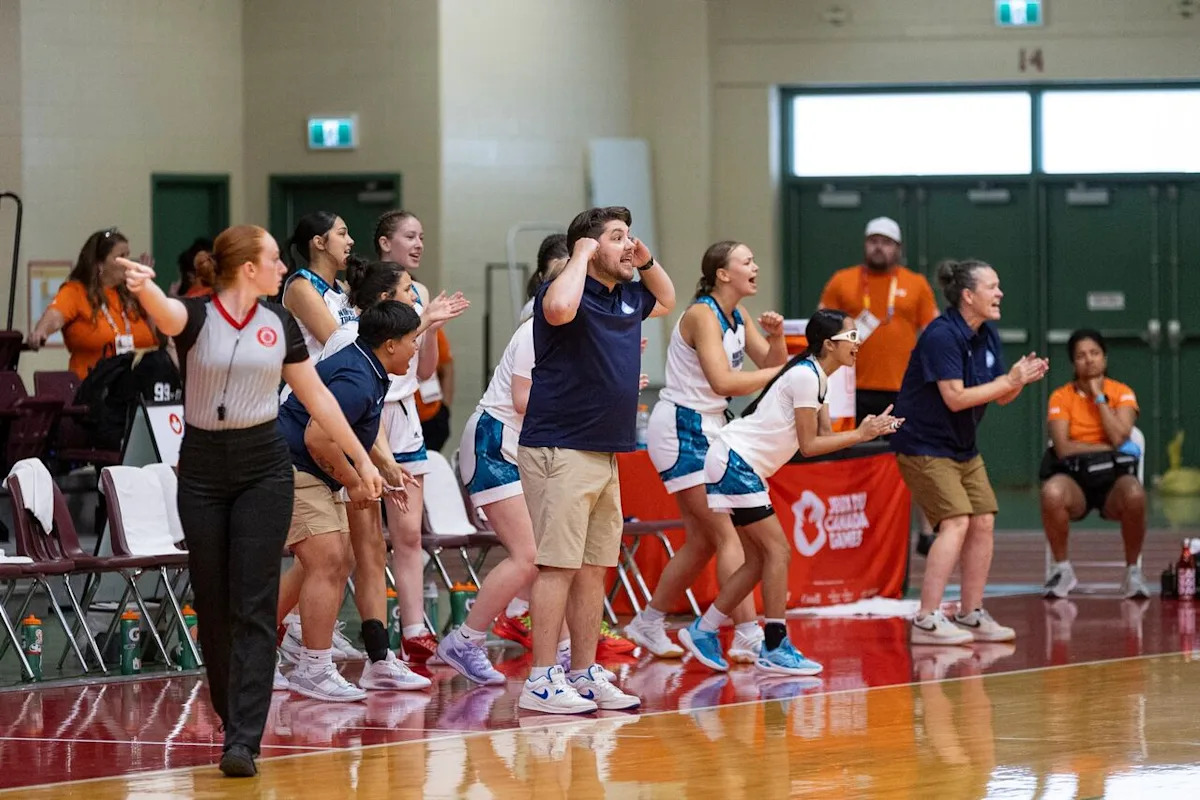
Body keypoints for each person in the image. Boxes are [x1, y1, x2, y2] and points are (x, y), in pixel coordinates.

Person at [118, 225, 383, 778]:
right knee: (214, 604)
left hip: (264, 467)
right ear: (247, 268)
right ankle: (228, 705)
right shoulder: (195, 317)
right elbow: (165, 312)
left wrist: (362, 461)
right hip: (205, 472)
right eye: (272, 259)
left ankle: (244, 737)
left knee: (254, 603)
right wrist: (142, 286)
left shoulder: (280, 322)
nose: (282, 268)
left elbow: (320, 402)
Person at [677, 310, 900, 676]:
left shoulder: (819, 379)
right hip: (736, 461)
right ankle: (775, 643)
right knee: (778, 550)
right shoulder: (805, 377)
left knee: (758, 561)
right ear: (829, 344)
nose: (858, 343)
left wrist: (869, 431)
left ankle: (702, 630)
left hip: (737, 462)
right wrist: (861, 434)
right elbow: (809, 446)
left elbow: (825, 437)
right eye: (851, 337)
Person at [276, 259, 463, 693]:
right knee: (325, 560)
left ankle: (307, 658)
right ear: (391, 342)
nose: (417, 348)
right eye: (413, 340)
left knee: (338, 560)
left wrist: (382, 465)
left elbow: (362, 426)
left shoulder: (375, 368)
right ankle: (311, 666)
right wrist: (356, 476)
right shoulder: (357, 373)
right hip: (293, 462)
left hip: (314, 467)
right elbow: (319, 436)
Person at [516, 206, 675, 714]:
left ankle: (583, 673)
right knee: (558, 566)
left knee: (592, 568)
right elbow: (560, 310)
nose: (628, 245)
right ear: (588, 246)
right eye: (617, 237)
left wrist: (643, 256)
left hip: (605, 451)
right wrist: (581, 254)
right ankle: (542, 679)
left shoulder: (627, 296)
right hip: (559, 446)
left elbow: (667, 299)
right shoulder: (563, 290)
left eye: (630, 235)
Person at [626, 240, 788, 662]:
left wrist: (776, 340)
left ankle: (648, 621)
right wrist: (776, 371)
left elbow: (770, 366)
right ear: (722, 273)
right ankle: (748, 631)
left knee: (701, 541)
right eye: (746, 261)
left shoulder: (739, 314)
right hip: (683, 426)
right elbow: (722, 382)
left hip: (712, 427)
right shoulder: (702, 314)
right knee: (725, 532)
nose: (755, 266)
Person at [892, 259, 1048, 646]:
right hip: (924, 444)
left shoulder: (986, 334)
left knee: (983, 521)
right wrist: (1007, 382)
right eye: (992, 287)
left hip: (962, 446)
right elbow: (956, 398)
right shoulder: (942, 336)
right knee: (957, 521)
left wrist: (1017, 382)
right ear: (968, 295)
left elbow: (1000, 395)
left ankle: (970, 613)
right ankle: (927, 619)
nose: (1000, 294)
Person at [374, 209, 466, 662]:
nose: (418, 243)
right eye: (409, 235)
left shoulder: (422, 293)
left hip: (407, 414)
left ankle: (413, 629)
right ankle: (304, 627)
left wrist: (432, 325)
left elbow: (426, 369)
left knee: (408, 533)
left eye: (422, 235)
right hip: (366, 414)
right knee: (356, 537)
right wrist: (423, 320)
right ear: (384, 242)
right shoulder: (367, 294)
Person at [1041, 329, 1150, 599]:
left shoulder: (1122, 393)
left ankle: (1132, 573)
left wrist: (1099, 397)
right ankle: (1063, 569)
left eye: (1094, 353)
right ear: (1073, 364)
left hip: (1114, 482)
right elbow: (1063, 448)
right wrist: (1106, 448)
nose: (1089, 360)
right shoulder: (1060, 397)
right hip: (1074, 480)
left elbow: (1119, 434)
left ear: (1105, 357)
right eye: (1081, 356)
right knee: (1051, 492)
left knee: (1135, 494)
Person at [818, 217, 937, 422]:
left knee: (900, 451)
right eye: (873, 241)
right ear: (865, 244)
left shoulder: (917, 284)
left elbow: (935, 334)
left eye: (886, 242)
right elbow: (820, 328)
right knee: (855, 451)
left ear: (898, 248)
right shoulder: (842, 281)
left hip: (903, 387)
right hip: (850, 387)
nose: (879, 247)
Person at [29, 227, 158, 378]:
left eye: (128, 255)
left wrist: (146, 290)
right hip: (94, 390)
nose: (127, 262)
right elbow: (55, 316)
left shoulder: (133, 293)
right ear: (99, 265)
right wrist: (41, 332)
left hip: (140, 387)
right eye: (121, 256)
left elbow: (160, 337)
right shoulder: (76, 292)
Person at [282, 211, 358, 359]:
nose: (350, 241)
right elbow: (338, 344)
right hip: (312, 379)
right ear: (319, 242)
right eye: (342, 234)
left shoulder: (341, 288)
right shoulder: (302, 287)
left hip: (340, 378)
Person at [415, 328, 454, 451]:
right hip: (403, 416)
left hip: (431, 414)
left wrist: (445, 407)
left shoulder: (432, 330)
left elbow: (447, 367)